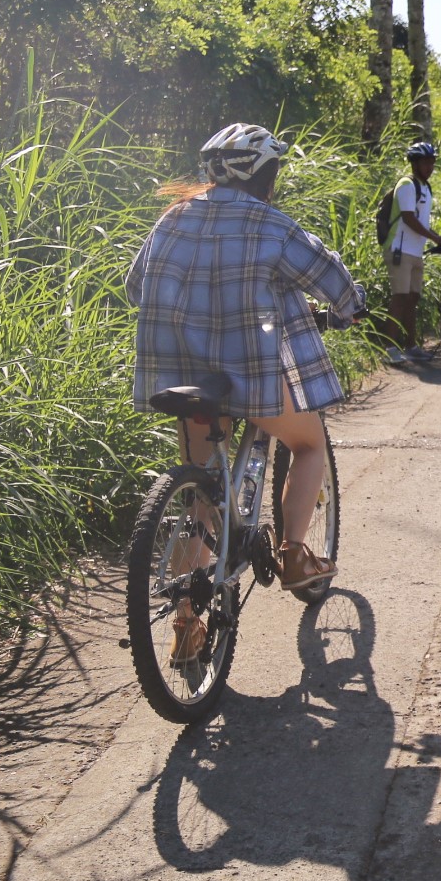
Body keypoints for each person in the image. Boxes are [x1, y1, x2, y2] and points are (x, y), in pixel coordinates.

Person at [127, 123, 363, 663]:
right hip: (251, 377)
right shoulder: (269, 225)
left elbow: (136, 287)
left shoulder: (172, 219)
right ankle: (297, 555)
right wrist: (351, 308)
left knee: (202, 500)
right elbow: (333, 281)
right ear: (263, 176)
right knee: (307, 444)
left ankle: (186, 622)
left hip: (183, 379)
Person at [385, 141, 441, 364]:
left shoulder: (425, 187)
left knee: (412, 298)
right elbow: (408, 218)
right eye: (425, 162)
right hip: (399, 249)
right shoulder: (407, 185)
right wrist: (435, 238)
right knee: (399, 298)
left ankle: (410, 345)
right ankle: (389, 348)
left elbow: (420, 221)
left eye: (432, 162)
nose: (430, 166)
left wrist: (438, 238)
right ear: (414, 163)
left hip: (415, 251)